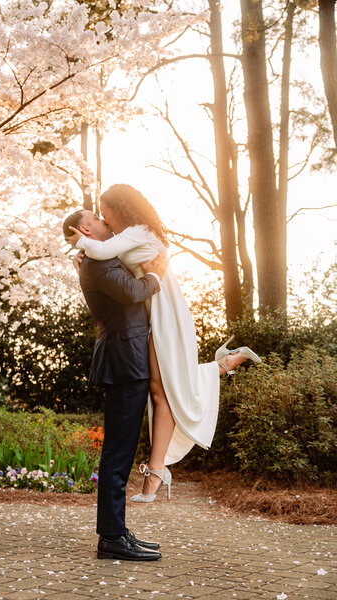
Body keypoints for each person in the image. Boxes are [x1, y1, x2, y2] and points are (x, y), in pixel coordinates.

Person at [66, 184, 261, 503]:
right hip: (153, 310)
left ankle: (157, 470)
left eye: (106, 212)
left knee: (162, 387)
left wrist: (80, 241)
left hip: (165, 309)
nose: (104, 218)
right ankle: (223, 365)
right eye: (98, 216)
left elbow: (102, 252)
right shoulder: (125, 235)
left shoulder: (138, 230)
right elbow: (106, 261)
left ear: (120, 208)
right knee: (163, 386)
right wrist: (83, 251)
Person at [63, 208, 168, 561]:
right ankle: (111, 538)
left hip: (129, 360)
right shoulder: (96, 263)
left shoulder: (101, 257)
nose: (106, 223)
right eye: (98, 219)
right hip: (123, 362)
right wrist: (155, 277)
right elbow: (130, 292)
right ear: (84, 228)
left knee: (121, 453)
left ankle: (117, 531)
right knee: (118, 454)